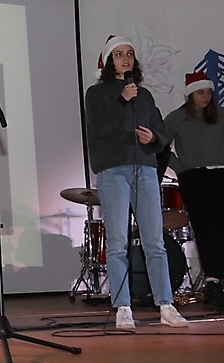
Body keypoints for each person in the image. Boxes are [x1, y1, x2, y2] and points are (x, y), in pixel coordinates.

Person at [85, 35, 188, 329]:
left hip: (145, 169)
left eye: (129, 53)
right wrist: (122, 99)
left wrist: (152, 138)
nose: (125, 59)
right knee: (118, 243)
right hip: (113, 171)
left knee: (155, 242)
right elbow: (100, 129)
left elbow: (161, 136)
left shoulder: (145, 96)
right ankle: (123, 307)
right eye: (119, 54)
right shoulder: (97, 94)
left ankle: (166, 305)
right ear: (109, 61)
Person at [164, 70, 224, 315]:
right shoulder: (177, 118)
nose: (206, 96)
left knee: (218, 230)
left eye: (209, 92)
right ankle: (213, 285)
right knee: (203, 230)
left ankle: (215, 283)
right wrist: (180, 169)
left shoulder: (222, 115)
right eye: (201, 92)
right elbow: (159, 146)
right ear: (190, 94)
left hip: (220, 177)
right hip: (193, 178)